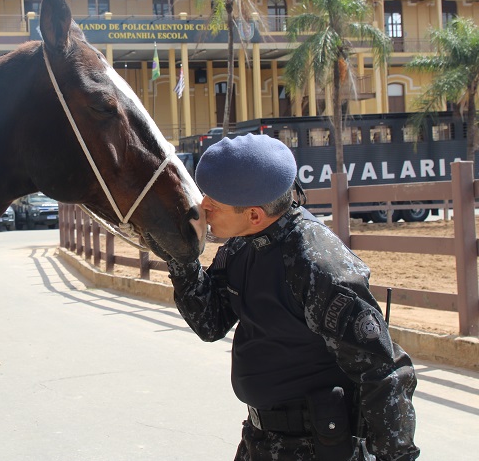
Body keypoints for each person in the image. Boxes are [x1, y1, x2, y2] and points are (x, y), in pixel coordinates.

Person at [167, 133, 420, 461]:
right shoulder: (243, 244)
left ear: (254, 215)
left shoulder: (318, 265)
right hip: (260, 440)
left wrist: (396, 457)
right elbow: (210, 322)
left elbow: (383, 373)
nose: (203, 207)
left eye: (214, 201)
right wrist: (182, 257)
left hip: (318, 445)